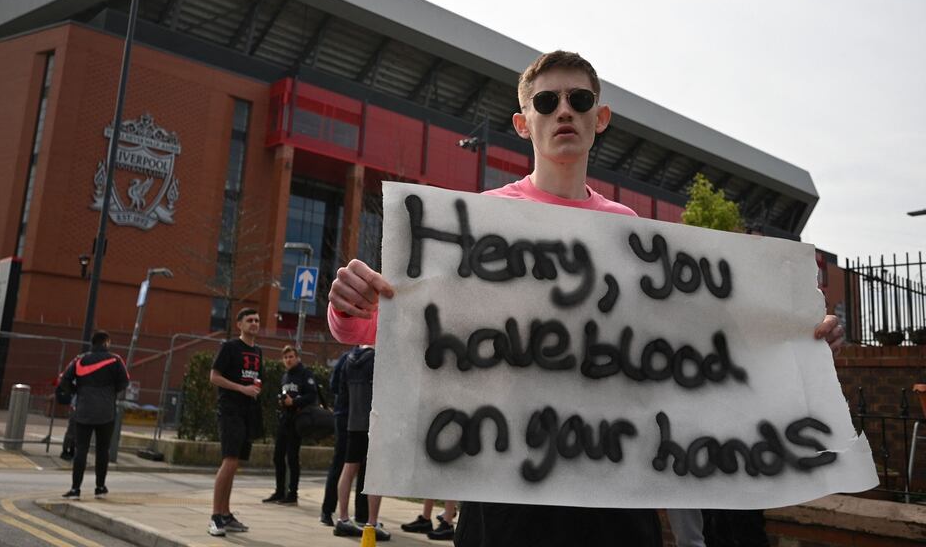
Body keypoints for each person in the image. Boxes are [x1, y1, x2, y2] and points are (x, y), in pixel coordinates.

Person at [325, 50, 847, 546]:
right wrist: (351, 309)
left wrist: (798, 338)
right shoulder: (476, 223)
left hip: (612, 489)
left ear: (601, 117)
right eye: (547, 102)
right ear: (523, 122)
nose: (564, 111)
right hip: (505, 488)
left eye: (579, 100)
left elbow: (690, 341)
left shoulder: (629, 233)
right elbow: (397, 329)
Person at [207, 307, 263, 537]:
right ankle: (215, 516)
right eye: (249, 320)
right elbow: (214, 377)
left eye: (257, 320)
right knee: (229, 461)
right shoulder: (229, 347)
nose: (254, 323)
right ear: (239, 324)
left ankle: (226, 514)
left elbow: (257, 380)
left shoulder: (258, 351)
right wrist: (242, 388)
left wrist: (255, 389)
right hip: (229, 411)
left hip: (247, 413)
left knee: (235, 464)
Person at [58, 330, 129, 500]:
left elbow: (64, 380)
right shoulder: (115, 359)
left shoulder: (79, 360)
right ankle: (100, 487)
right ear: (106, 343)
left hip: (84, 409)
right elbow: (124, 381)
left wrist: (78, 391)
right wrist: (110, 392)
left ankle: (75, 489)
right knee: (102, 450)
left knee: (81, 449)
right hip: (106, 411)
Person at [333, 344, 390, 542]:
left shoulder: (348, 359)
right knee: (376, 472)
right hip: (374, 421)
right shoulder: (377, 358)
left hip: (353, 420)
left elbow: (339, 391)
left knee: (348, 469)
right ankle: (371, 523)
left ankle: (343, 518)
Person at [319, 349, 369, 526]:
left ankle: (328, 511)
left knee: (340, 463)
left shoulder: (346, 358)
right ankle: (363, 515)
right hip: (360, 418)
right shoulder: (372, 358)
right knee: (363, 467)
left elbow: (334, 385)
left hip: (344, 415)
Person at [263, 344, 316, 505]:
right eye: (285, 357)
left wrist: (295, 401)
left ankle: (292, 494)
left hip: (298, 419)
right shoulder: (285, 376)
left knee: (292, 457)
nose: (288, 360)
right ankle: (279, 492)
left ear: (297, 357)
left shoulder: (305, 373)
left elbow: (312, 395)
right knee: (278, 456)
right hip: (285, 419)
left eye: (291, 356)